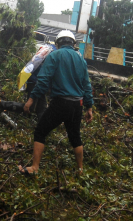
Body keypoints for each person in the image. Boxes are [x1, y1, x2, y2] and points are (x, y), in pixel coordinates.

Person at [19, 30, 94, 176]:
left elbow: (43, 81)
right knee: (75, 136)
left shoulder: (54, 55)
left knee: (40, 131)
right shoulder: (81, 60)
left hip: (60, 103)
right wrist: (89, 107)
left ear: (58, 43)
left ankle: (34, 168)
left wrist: (31, 100)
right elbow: (87, 85)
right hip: (77, 105)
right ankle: (80, 170)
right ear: (73, 44)